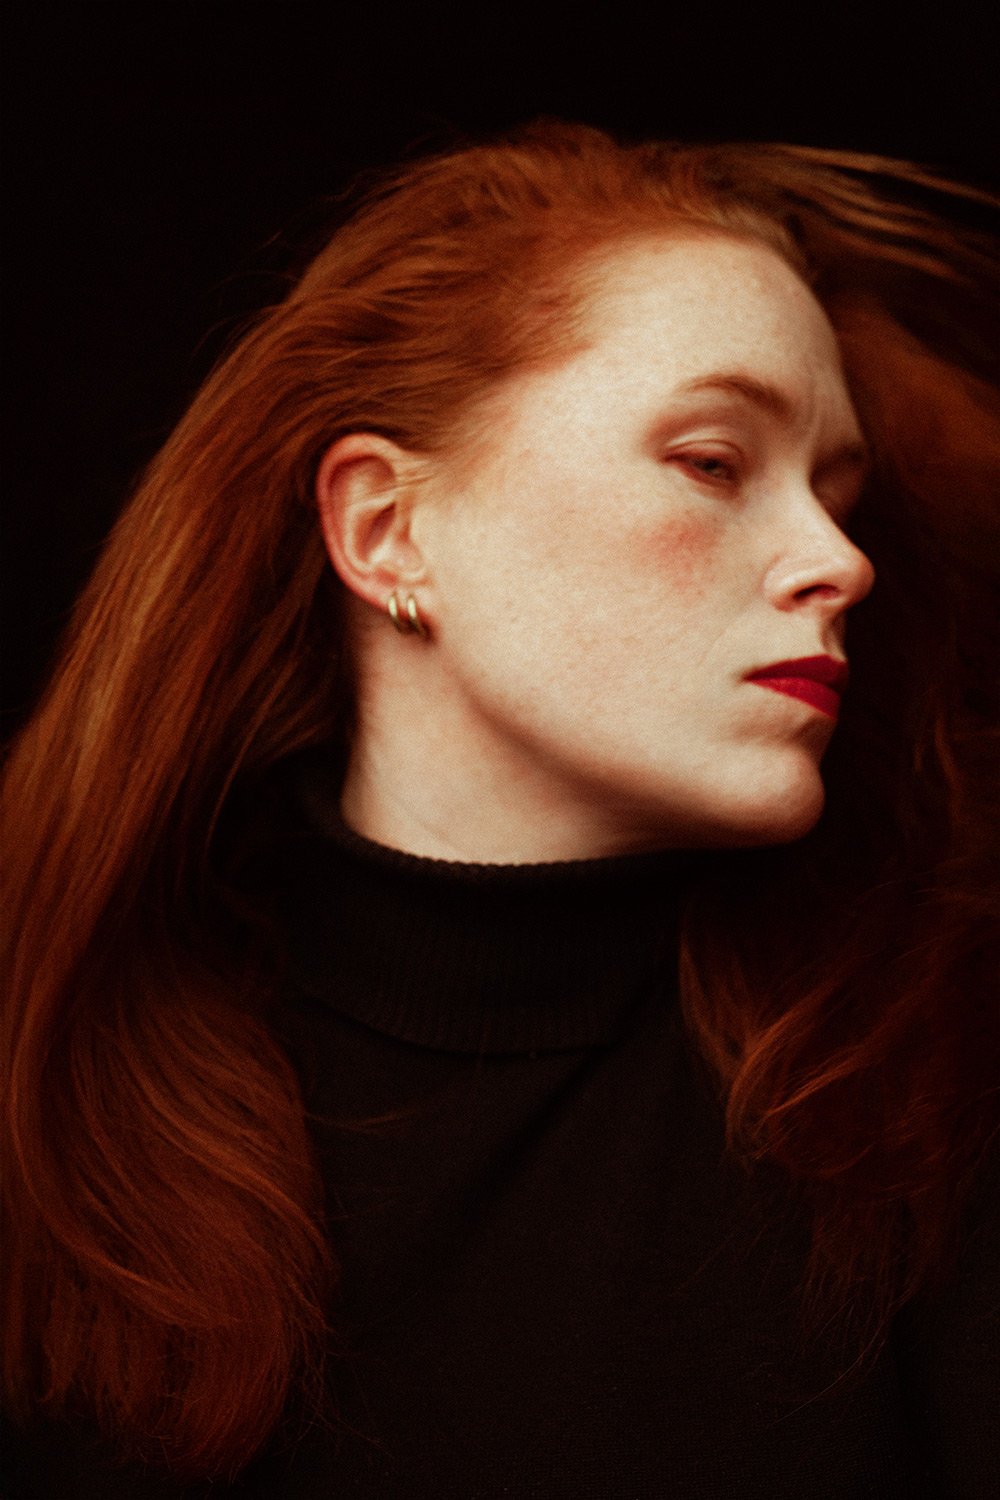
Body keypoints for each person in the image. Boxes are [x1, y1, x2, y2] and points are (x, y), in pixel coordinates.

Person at [1, 120, 998, 1499]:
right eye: (715, 463)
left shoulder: (939, 1088)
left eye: (841, 493)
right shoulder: (51, 1105)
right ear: (385, 531)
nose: (839, 560)